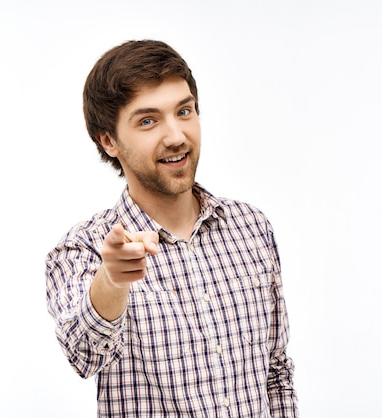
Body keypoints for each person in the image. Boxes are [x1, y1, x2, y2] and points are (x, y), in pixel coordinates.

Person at [45, 39, 299, 417]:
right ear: (108, 140)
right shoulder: (82, 248)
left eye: (184, 111)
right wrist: (112, 280)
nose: (177, 136)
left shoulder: (252, 227)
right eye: (148, 120)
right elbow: (84, 353)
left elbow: (275, 373)